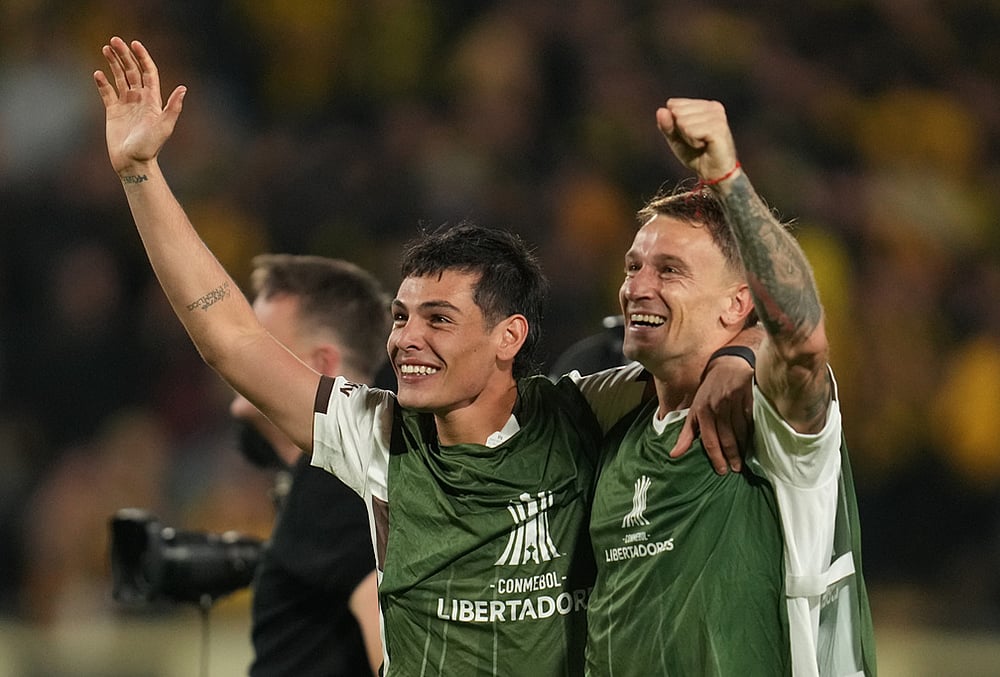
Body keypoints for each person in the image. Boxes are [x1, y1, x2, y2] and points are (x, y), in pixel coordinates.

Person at [94, 38, 756, 674]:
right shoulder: (381, 437)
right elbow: (230, 338)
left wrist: (739, 357)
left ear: (510, 336)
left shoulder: (586, 410)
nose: (407, 340)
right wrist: (140, 173)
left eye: (439, 320)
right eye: (402, 317)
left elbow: (767, 343)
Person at [586, 98, 877, 676]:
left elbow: (800, 342)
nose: (637, 287)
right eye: (633, 266)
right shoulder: (608, 416)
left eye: (670, 270)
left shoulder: (767, 419)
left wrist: (725, 175)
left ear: (738, 304)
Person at [230, 254, 387, 676]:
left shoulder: (340, 479)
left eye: (258, 344)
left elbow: (393, 640)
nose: (235, 359)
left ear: (320, 365)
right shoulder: (337, 472)